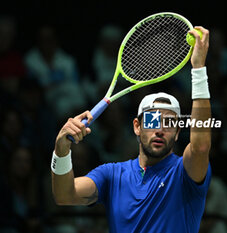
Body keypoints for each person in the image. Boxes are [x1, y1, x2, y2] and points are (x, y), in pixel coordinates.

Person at [51, 26, 212, 233]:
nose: (160, 130)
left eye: (169, 123)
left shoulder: (184, 172)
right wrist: (61, 151)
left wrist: (198, 69)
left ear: (179, 131)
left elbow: (200, 147)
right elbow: (64, 195)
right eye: (153, 121)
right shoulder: (112, 175)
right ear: (137, 127)